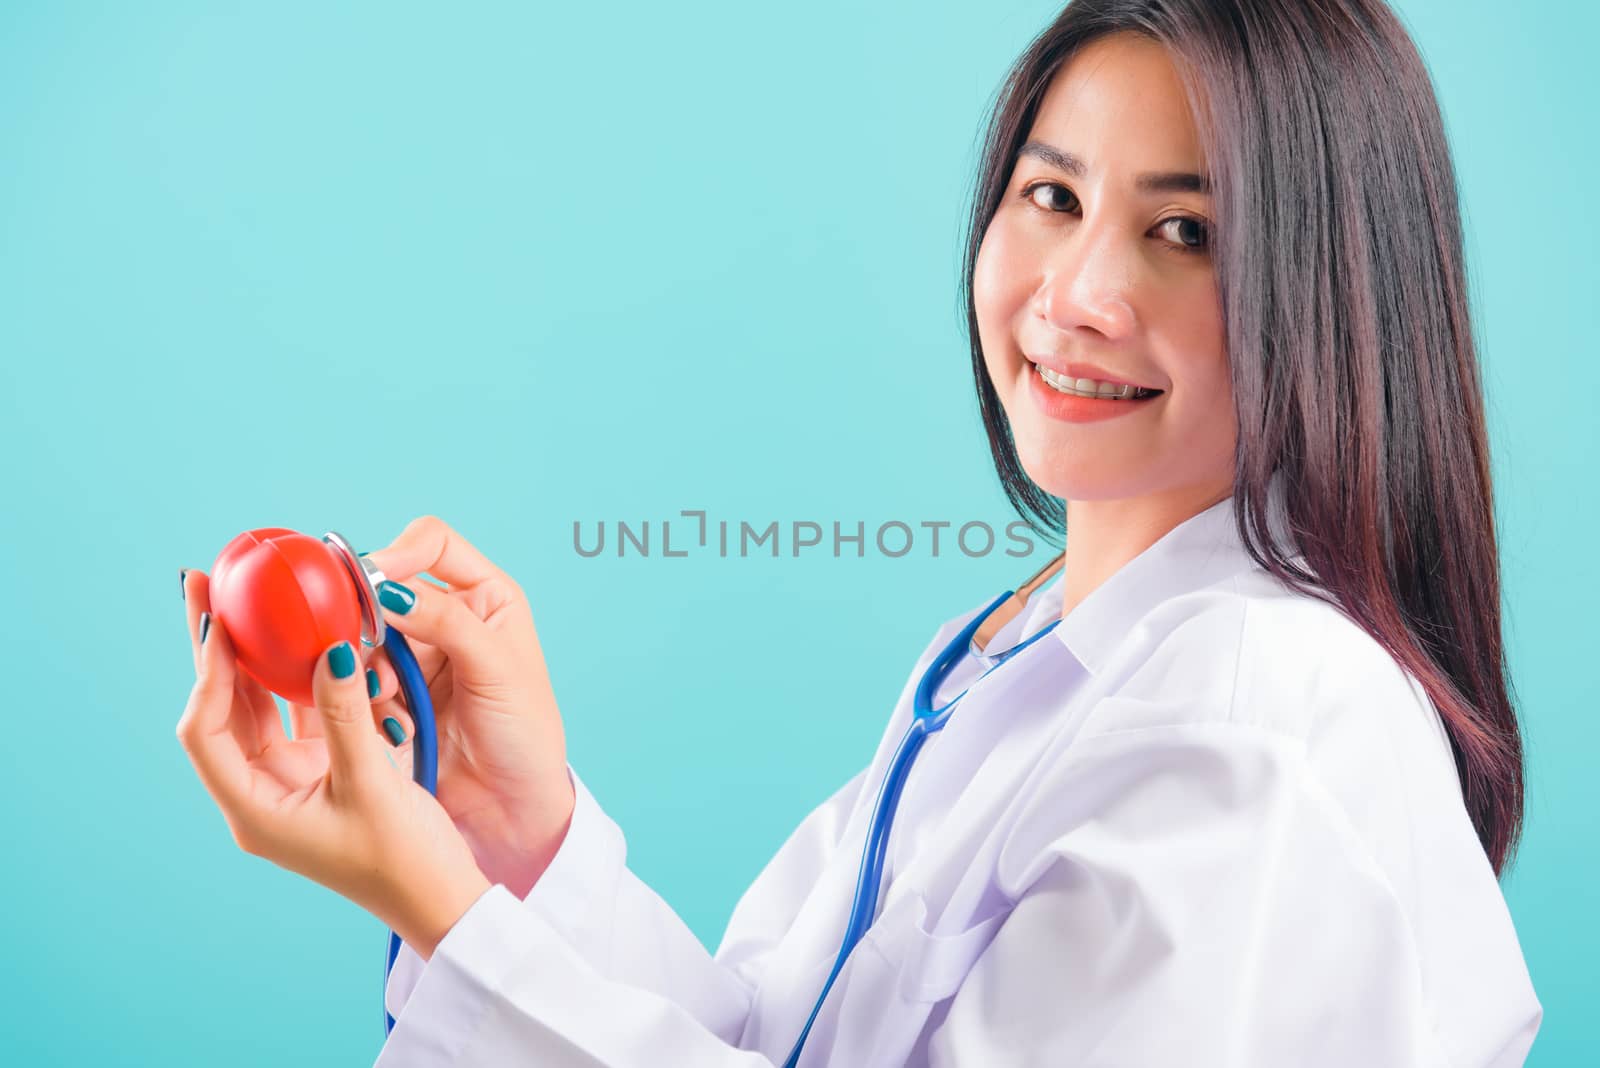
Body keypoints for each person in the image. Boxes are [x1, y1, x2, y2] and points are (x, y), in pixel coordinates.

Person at [175, 0, 1543, 1064]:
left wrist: (452, 919)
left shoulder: (1254, 728)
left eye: (1183, 233)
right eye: (1052, 199)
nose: (1078, 296)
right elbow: (779, 1041)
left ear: (1330, 288)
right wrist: (512, 847)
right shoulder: (1019, 650)